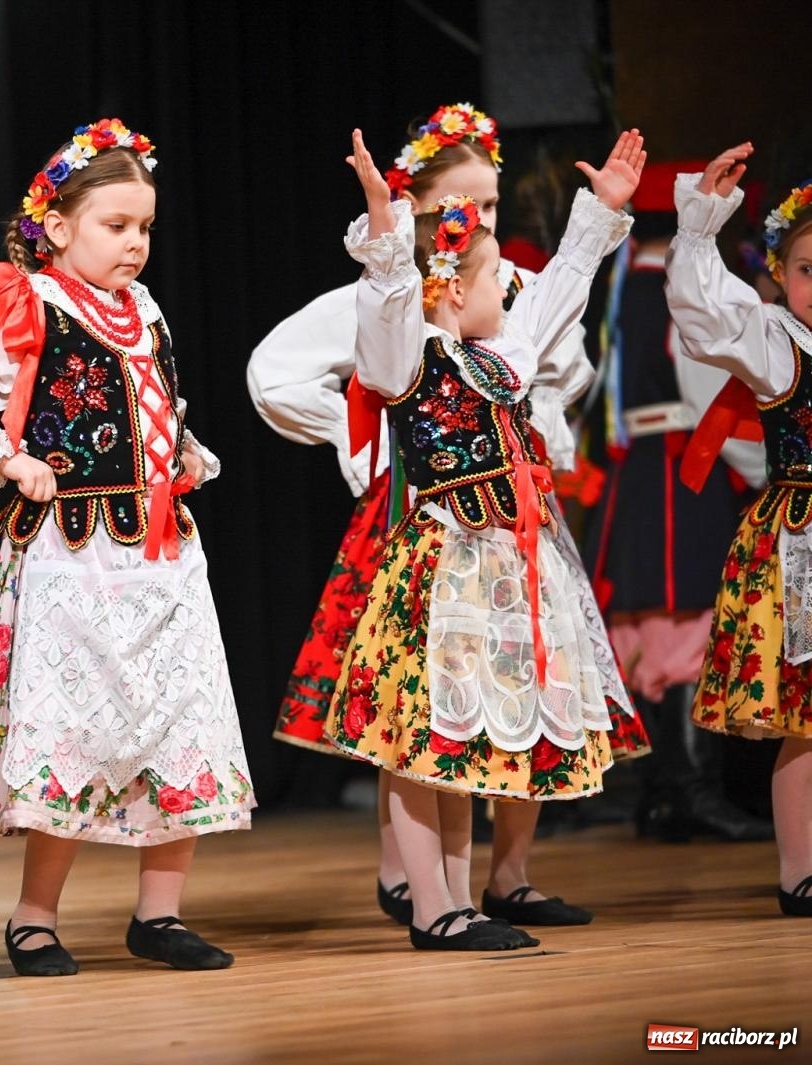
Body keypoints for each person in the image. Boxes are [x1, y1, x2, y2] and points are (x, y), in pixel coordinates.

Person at [251, 103, 645, 932]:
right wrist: (391, 239)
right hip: (439, 564)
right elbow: (387, 315)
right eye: (498, 275)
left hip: (508, 558)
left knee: (469, 738)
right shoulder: (411, 353)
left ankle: (464, 899)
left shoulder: (505, 350)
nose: (515, 288)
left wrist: (601, 212)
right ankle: (433, 904)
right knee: (425, 741)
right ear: (456, 286)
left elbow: (561, 296)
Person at [0, 118, 252, 976]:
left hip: (161, 553)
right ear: (58, 227)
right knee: (74, 725)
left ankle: (159, 914)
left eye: (145, 228)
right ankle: (34, 916)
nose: (135, 244)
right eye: (116, 226)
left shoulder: (144, 307)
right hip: (74, 556)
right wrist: (1, 453)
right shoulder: (25, 302)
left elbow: (148, 400)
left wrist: (181, 452)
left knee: (176, 716)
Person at [581, 159, 772, 843]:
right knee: (688, 621)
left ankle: (666, 789)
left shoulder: (623, 283)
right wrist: (762, 465)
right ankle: (687, 787)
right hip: (681, 470)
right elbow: (710, 391)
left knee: (651, 631)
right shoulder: (676, 289)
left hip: (641, 472)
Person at [665, 145, 812, 915]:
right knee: (807, 718)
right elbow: (701, 313)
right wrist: (698, 231)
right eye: (806, 270)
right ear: (781, 276)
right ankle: (800, 872)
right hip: (801, 543)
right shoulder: (776, 341)